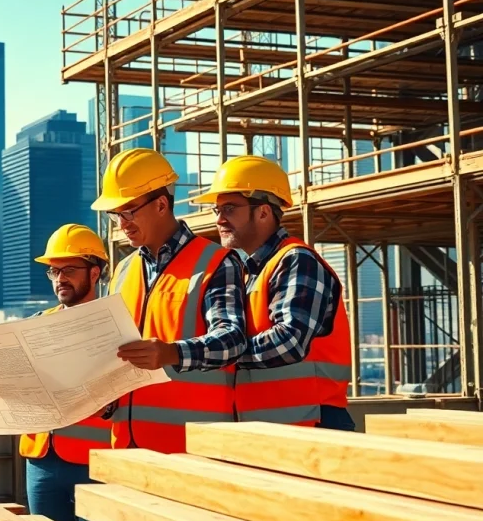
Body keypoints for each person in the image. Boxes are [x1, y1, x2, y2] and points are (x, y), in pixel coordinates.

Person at [0, 224, 112, 521]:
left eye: (69, 270)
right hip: (41, 460)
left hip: (94, 461)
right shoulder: (36, 324)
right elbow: (9, 379)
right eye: (54, 271)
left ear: (94, 273)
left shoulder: (112, 327)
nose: (60, 279)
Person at [91, 147, 248, 454]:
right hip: (126, 447)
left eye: (129, 211)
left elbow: (232, 340)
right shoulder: (123, 270)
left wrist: (171, 353)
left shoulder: (216, 262)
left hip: (194, 451)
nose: (121, 223)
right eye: (115, 214)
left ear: (162, 204)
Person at [194, 155, 355, 431]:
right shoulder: (247, 272)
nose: (219, 219)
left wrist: (218, 352)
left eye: (229, 208)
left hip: (313, 424)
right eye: (216, 210)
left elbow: (289, 342)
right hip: (273, 426)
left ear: (264, 212)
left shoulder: (297, 261)